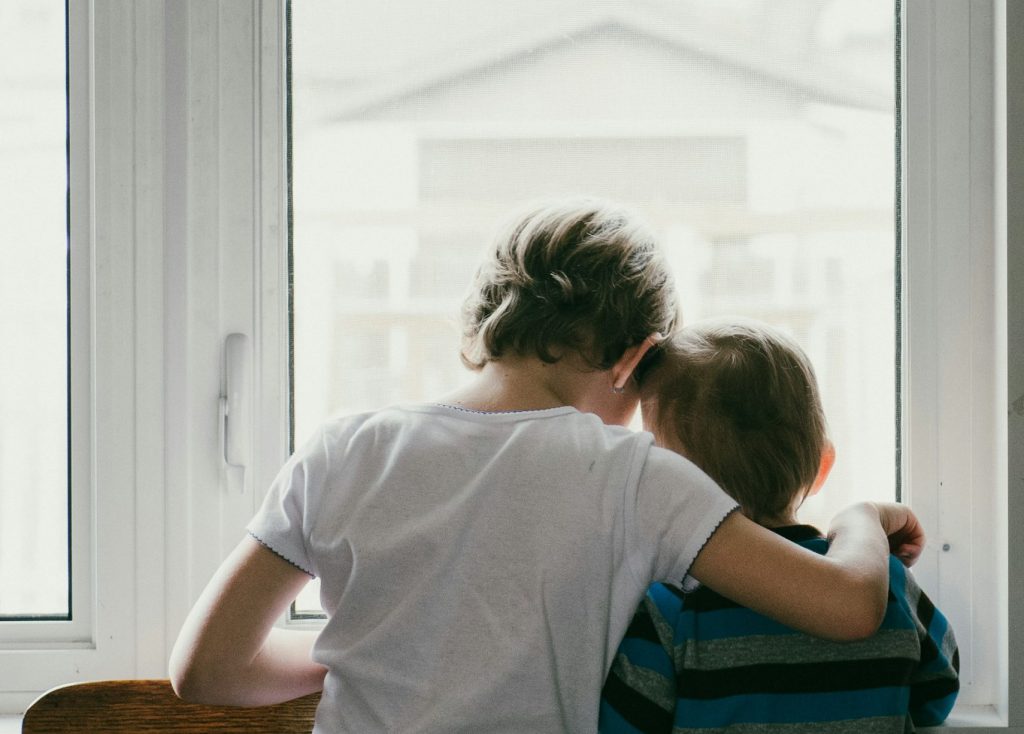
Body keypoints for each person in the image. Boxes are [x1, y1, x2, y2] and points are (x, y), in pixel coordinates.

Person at [168, 198, 924, 734]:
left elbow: (206, 669)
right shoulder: (634, 477)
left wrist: (370, 649)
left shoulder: (344, 447)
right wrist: (862, 517)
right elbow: (849, 609)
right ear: (636, 358)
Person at [599, 318, 959, 734]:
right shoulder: (883, 582)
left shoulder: (669, 606)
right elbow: (938, 696)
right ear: (822, 465)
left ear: (672, 483)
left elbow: (623, 725)